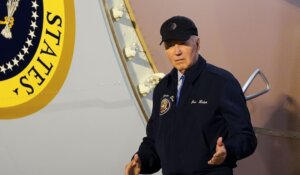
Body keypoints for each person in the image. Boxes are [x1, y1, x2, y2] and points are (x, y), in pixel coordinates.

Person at [125, 16, 257, 175]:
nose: (177, 51)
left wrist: (227, 151)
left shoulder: (222, 82)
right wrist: (142, 161)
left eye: (182, 43)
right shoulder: (162, 88)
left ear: (198, 44)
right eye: (170, 45)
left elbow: (246, 137)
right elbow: (154, 140)